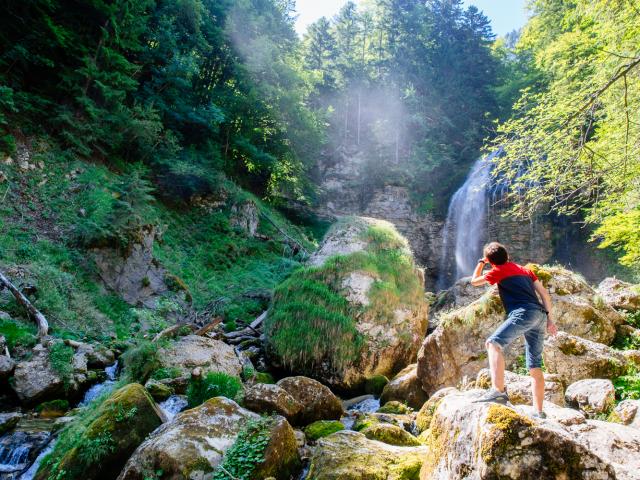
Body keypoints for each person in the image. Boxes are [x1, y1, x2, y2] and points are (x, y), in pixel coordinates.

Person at [470, 242, 557, 418]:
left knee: (493, 343)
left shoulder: (498, 270)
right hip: (540, 315)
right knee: (534, 364)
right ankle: (538, 412)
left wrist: (481, 262)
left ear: (491, 261)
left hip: (523, 313)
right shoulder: (525, 270)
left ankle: (498, 391)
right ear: (507, 255)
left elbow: (474, 281)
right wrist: (550, 320)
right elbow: (544, 294)